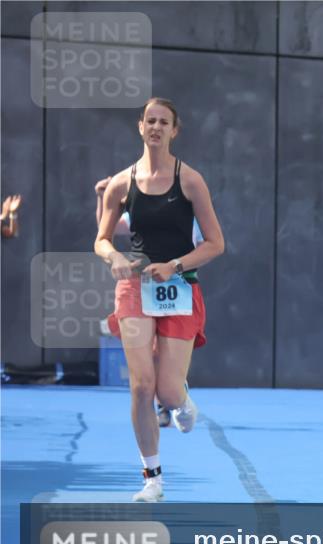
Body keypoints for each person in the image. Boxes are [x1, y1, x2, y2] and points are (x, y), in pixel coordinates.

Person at [94, 97, 224, 502]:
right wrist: (114, 256)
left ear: (174, 130)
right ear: (140, 127)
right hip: (133, 287)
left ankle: (181, 401)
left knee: (166, 392)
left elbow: (216, 244)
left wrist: (175, 265)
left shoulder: (190, 180)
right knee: (140, 386)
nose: (155, 127)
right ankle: (152, 477)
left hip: (178, 286)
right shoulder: (121, 182)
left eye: (163, 122)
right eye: (149, 120)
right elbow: (100, 239)